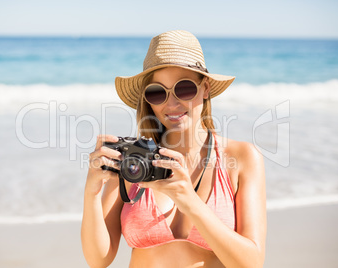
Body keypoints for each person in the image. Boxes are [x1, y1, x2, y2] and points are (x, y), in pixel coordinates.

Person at [81, 30, 266, 268]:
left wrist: (189, 200)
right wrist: (91, 193)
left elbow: (251, 263)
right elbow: (98, 260)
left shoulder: (241, 158)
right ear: (148, 99)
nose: (171, 103)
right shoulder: (135, 160)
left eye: (184, 89)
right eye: (157, 92)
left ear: (206, 88)